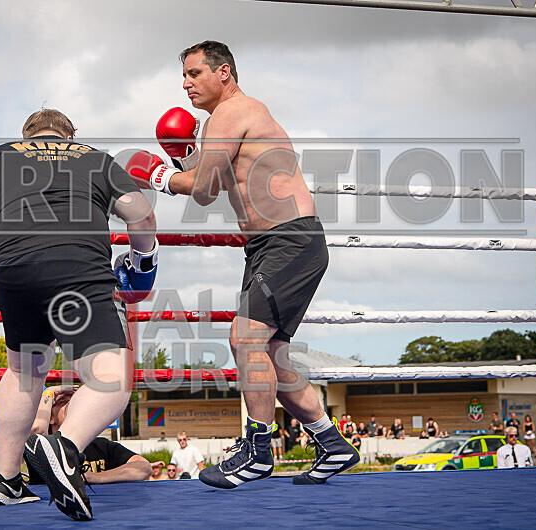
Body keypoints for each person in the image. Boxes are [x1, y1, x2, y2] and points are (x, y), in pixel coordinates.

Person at [126, 40, 357, 489]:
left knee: (244, 337)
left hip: (289, 239)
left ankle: (257, 451)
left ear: (224, 73)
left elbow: (201, 185)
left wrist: (159, 175)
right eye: (185, 76)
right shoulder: (221, 123)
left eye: (195, 74)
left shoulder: (234, 112)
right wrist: (181, 156)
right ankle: (331, 443)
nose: (186, 84)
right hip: (269, 246)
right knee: (269, 355)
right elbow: (211, 187)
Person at [0, 109, 157, 520]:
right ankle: (62, 448)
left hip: (12, 272)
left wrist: (14, 234)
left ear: (27, 135)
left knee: (24, 370)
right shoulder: (93, 157)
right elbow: (141, 214)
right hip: (77, 266)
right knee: (111, 374)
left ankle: (6, 479)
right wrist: (143, 259)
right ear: (69, 135)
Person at [29, 385, 151, 485]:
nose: (70, 405)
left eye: (74, 401)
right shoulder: (44, 447)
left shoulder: (102, 446)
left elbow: (144, 468)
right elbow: (37, 431)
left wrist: (96, 477)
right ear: (51, 418)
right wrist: (50, 392)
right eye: (62, 402)